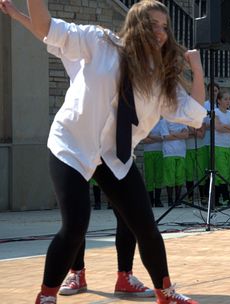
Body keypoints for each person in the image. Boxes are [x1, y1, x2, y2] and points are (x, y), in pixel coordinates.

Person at [1, 1, 207, 303]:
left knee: (145, 225)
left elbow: (196, 112)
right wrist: (24, 12)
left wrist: (196, 67)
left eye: (165, 27)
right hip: (72, 144)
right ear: (136, 25)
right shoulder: (98, 42)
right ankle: (46, 295)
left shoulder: (158, 78)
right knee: (75, 225)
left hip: (113, 156)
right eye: (153, 25)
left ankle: (166, 292)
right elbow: (45, 28)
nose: (161, 33)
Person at [213, 91, 230, 206]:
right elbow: (218, 128)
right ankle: (225, 198)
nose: (228, 101)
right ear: (219, 100)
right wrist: (229, 128)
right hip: (218, 146)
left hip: (228, 146)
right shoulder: (216, 112)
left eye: (229, 99)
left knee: (226, 172)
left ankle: (217, 198)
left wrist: (225, 126)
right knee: (221, 172)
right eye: (225, 99)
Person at [160, 121, 189, 206]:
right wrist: (180, 135)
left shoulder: (182, 121)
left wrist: (173, 134)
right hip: (169, 152)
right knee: (169, 177)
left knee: (180, 177)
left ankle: (177, 200)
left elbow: (186, 135)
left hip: (181, 153)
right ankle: (170, 200)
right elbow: (166, 137)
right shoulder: (164, 121)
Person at [142, 118, 165, 207]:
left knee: (159, 177)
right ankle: (150, 201)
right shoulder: (146, 122)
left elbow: (164, 137)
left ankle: (158, 200)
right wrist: (158, 138)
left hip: (160, 152)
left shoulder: (162, 122)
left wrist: (150, 136)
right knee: (149, 177)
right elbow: (144, 140)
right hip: (148, 152)